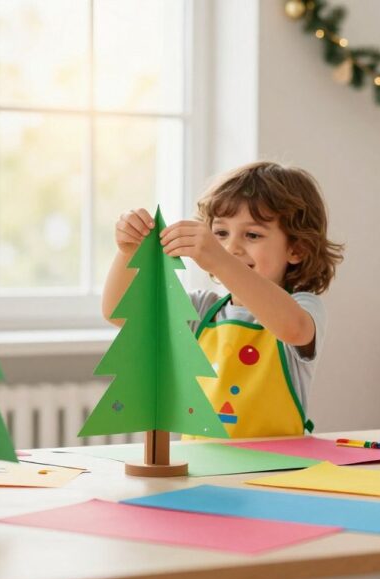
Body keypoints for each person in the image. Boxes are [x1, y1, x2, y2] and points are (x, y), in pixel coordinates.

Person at [102, 162, 344, 437]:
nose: (231, 248)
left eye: (252, 235)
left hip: (277, 461)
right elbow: (119, 312)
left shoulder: (303, 307)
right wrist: (127, 253)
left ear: (296, 249)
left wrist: (219, 259)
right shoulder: (201, 310)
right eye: (220, 234)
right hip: (200, 458)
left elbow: (294, 329)